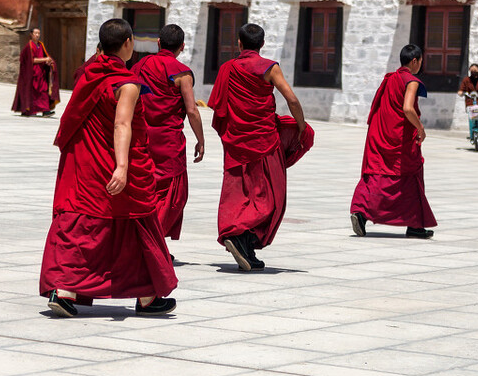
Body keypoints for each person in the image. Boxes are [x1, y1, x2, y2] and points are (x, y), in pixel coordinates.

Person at [40, 18, 177, 317]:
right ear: (127, 43)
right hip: (113, 159)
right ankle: (147, 296)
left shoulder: (88, 73)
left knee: (81, 222)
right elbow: (122, 123)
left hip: (84, 161)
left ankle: (65, 290)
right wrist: (123, 166)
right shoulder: (126, 83)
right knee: (136, 221)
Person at [209, 23, 311, 270]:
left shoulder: (227, 68)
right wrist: (301, 126)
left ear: (239, 44)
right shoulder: (270, 67)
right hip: (264, 139)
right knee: (272, 195)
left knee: (239, 192)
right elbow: (292, 99)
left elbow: (218, 107)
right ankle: (243, 236)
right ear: (262, 44)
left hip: (236, 140)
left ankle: (243, 240)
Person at [351, 45, 437, 239]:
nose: (421, 65)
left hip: (381, 134)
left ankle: (361, 212)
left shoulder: (391, 78)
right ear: (414, 61)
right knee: (412, 175)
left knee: (377, 175)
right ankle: (415, 224)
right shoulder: (412, 81)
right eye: (421, 61)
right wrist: (420, 127)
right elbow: (407, 108)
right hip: (400, 139)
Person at [132, 25, 204, 249]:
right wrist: (201, 140)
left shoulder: (139, 66)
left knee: (146, 190)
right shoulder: (181, 72)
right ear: (182, 47)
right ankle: (149, 244)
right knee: (174, 194)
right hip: (168, 139)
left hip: (141, 137)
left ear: (158, 43)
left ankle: (144, 241)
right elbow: (192, 110)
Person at [12, 28, 58, 117]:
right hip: (32, 74)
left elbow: (45, 56)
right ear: (31, 34)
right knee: (33, 93)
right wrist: (45, 59)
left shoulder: (41, 45)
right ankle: (29, 110)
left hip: (41, 73)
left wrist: (49, 62)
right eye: (35, 33)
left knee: (44, 91)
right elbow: (31, 60)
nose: (37, 35)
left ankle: (45, 110)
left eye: (38, 33)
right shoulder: (29, 46)